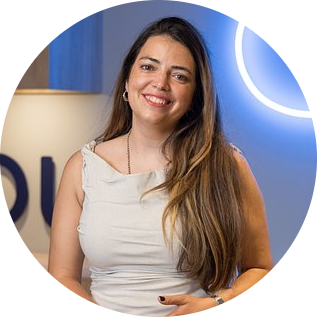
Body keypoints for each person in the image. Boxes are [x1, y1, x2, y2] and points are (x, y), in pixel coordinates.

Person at [48, 16, 273, 316]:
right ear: (128, 79)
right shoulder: (83, 167)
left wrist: (216, 302)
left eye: (179, 76)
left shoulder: (226, 165)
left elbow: (259, 268)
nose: (160, 83)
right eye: (148, 66)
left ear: (195, 96)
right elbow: (62, 276)